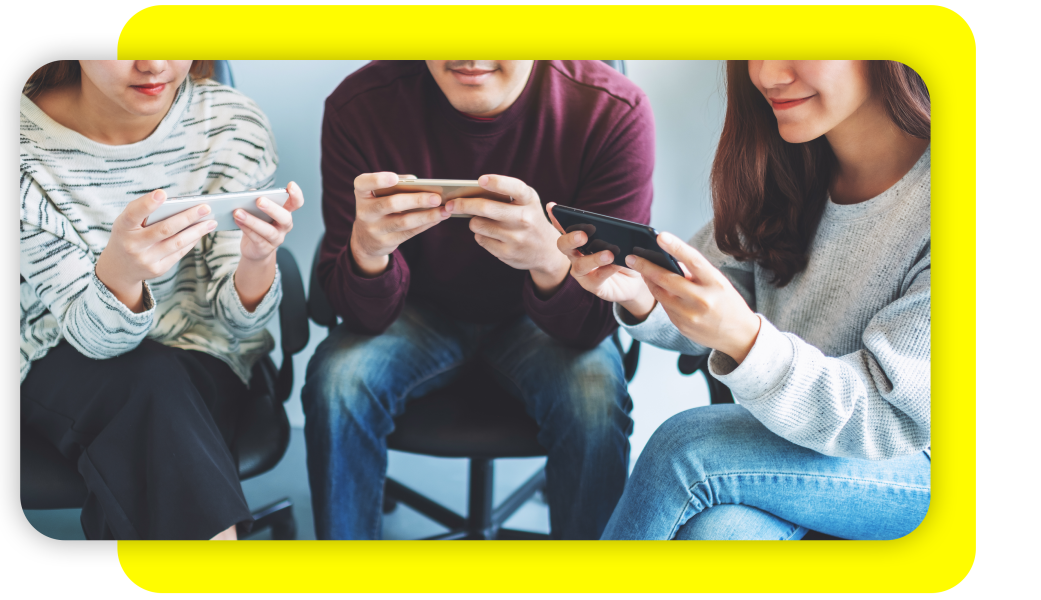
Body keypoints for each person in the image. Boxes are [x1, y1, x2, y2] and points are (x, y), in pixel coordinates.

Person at [552, 60, 931, 540]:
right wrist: (643, 295)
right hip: (788, 445)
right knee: (720, 532)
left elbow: (887, 417)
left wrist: (746, 340)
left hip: (917, 466)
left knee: (687, 446)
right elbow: (719, 296)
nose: (768, 74)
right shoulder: (791, 168)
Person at [303, 60, 655, 539]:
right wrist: (368, 251)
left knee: (593, 391)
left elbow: (594, 324)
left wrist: (548, 262)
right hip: (415, 310)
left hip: (544, 324)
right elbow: (358, 315)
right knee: (338, 380)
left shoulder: (612, 112)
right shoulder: (359, 106)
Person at [20, 60, 304, 540]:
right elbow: (96, 343)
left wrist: (257, 259)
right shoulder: (30, 151)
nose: (153, 63)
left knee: (154, 410)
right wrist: (122, 273)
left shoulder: (233, 124)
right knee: (149, 387)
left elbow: (239, 325)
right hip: (61, 352)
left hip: (201, 349)